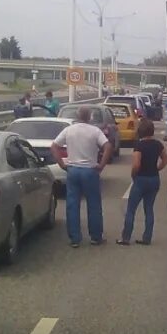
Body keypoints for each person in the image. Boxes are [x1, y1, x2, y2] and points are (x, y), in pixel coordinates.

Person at [51, 106, 113, 247]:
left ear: (77, 116)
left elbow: (54, 146)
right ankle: (95, 237)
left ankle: (75, 238)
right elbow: (108, 147)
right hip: (90, 171)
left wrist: (61, 163)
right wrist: (101, 164)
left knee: (72, 205)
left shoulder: (69, 130)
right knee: (94, 205)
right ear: (90, 117)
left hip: (73, 170)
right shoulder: (95, 131)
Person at [117, 119, 167, 246]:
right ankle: (147, 238)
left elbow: (136, 165)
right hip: (154, 179)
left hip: (141, 179)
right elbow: (165, 160)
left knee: (131, 209)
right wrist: (157, 168)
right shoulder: (158, 144)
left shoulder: (139, 146)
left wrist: (134, 175)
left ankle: (126, 238)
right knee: (149, 209)